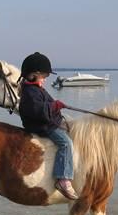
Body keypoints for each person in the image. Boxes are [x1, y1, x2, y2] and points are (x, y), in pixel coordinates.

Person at [18, 52, 79, 200]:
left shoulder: (35, 88)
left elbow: (47, 103)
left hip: (45, 123)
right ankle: (63, 178)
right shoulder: (30, 92)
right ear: (35, 74)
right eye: (44, 77)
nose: (45, 80)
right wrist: (53, 106)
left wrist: (56, 105)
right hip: (40, 126)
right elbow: (39, 110)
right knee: (65, 143)